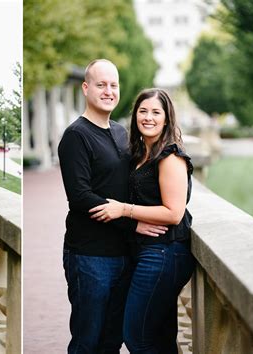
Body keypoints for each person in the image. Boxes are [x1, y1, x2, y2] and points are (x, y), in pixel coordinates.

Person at [57, 59, 168, 353]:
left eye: (113, 85)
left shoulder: (122, 133)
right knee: (87, 340)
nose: (108, 91)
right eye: (101, 84)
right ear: (86, 88)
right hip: (90, 256)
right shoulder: (75, 136)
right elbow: (80, 196)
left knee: (112, 340)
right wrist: (133, 221)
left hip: (125, 254)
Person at [89, 88, 196, 353]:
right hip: (148, 251)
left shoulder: (170, 156)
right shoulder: (141, 154)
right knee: (159, 336)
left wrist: (124, 210)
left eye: (156, 112)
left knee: (137, 336)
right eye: (143, 111)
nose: (148, 117)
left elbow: (174, 213)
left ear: (167, 119)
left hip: (165, 253)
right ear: (135, 114)